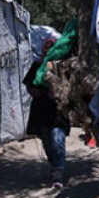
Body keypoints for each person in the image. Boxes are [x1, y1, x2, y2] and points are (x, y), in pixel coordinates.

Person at [23, 38, 71, 188]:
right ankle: (54, 164)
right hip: (41, 110)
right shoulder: (38, 65)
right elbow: (28, 83)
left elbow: (70, 85)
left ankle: (58, 172)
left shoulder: (62, 66)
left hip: (58, 110)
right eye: (46, 47)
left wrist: (59, 92)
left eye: (51, 47)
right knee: (47, 141)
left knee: (58, 138)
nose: (48, 50)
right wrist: (33, 91)